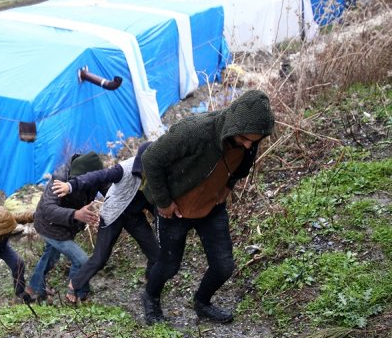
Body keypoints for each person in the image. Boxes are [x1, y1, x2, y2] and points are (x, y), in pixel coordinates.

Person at [140, 90, 275, 324]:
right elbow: (150, 158)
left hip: (211, 208)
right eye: (244, 139)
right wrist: (164, 202)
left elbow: (242, 168)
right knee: (169, 266)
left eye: (253, 141)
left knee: (223, 266)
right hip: (175, 209)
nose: (247, 145)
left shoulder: (249, 142)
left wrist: (226, 189)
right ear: (234, 126)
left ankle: (202, 303)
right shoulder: (196, 131)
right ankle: (150, 297)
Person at [51, 141, 159, 302]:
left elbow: (154, 199)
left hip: (134, 216)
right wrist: (70, 186)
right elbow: (98, 176)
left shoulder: (158, 171)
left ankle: (152, 285)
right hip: (112, 215)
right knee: (100, 258)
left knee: (155, 254)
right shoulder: (125, 169)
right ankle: (74, 285)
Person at [25, 152, 106, 303]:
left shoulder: (94, 175)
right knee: (81, 260)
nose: (76, 183)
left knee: (51, 256)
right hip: (49, 225)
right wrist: (76, 214)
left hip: (66, 225)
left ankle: (34, 288)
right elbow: (48, 208)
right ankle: (75, 294)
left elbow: (109, 191)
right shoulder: (61, 178)